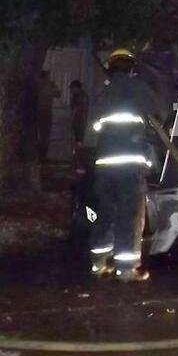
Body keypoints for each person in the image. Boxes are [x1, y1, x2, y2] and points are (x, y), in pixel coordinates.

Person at [87, 48, 166, 282]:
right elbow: (161, 113)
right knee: (130, 215)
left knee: (106, 213)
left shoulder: (102, 94)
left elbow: (92, 130)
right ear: (132, 69)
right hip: (130, 163)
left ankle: (99, 264)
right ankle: (126, 269)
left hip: (104, 164)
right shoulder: (140, 89)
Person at [36, 70, 61, 163]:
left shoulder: (50, 85)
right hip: (37, 111)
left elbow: (58, 94)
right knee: (39, 135)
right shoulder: (38, 86)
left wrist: (53, 87)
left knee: (45, 135)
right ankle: (38, 155)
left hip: (46, 111)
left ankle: (43, 156)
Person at [69, 80, 89, 149]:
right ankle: (76, 152)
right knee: (76, 138)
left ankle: (78, 152)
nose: (72, 90)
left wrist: (72, 118)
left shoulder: (82, 96)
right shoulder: (75, 96)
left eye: (73, 88)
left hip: (80, 121)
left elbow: (80, 109)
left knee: (79, 138)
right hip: (77, 120)